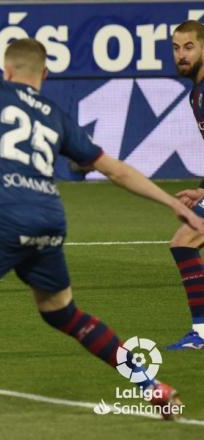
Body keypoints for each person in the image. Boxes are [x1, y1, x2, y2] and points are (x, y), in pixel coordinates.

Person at [0, 39, 204, 430]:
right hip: (51, 222)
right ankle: (150, 384)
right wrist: (172, 204)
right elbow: (114, 168)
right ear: (44, 74)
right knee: (65, 314)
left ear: (7, 70)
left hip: (7, 218)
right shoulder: (55, 115)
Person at [164, 20, 204, 350]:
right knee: (184, 240)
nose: (181, 54)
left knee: (184, 240)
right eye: (176, 48)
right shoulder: (197, 93)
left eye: (189, 47)